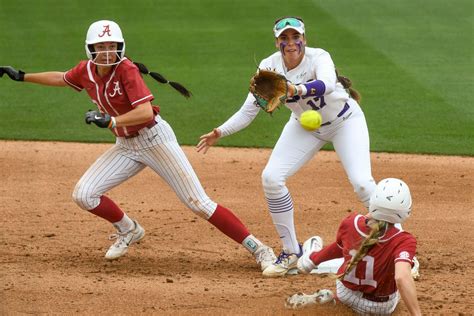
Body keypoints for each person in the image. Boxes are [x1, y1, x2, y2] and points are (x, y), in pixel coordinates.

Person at [0, 20, 276, 270]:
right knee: (84, 194)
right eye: (101, 46)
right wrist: (22, 76)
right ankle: (128, 229)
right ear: (90, 49)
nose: (107, 52)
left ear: (121, 47)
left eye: (112, 46)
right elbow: (62, 78)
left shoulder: (127, 70)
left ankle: (260, 250)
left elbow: (145, 112)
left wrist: (110, 121)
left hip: (154, 139)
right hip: (126, 144)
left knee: (198, 203)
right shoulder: (85, 71)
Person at [197, 16, 376, 277]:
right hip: (306, 126)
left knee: (361, 182)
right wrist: (219, 131)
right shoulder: (268, 67)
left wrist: (295, 89)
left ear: (304, 39)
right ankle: (292, 252)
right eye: (284, 38)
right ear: (277, 42)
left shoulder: (319, 57)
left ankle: (397, 248)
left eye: (295, 37)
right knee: (271, 178)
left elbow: (325, 84)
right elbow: (249, 111)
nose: (290, 43)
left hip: (345, 121)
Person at [287, 178, 421, 315]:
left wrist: (314, 260)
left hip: (346, 295)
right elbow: (401, 277)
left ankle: (331, 296)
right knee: (401, 270)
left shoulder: (351, 223)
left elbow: (340, 248)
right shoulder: (404, 240)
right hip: (380, 307)